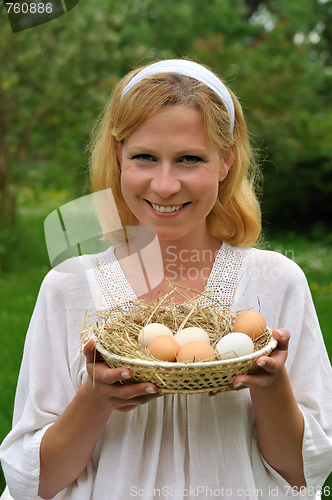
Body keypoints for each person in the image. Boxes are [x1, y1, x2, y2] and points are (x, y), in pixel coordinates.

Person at [0, 59, 332, 500]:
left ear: (226, 161)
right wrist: (96, 400)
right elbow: (34, 483)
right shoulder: (69, 287)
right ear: (118, 157)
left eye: (189, 159)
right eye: (144, 157)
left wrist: (272, 387)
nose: (165, 184)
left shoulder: (274, 282)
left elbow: (301, 474)